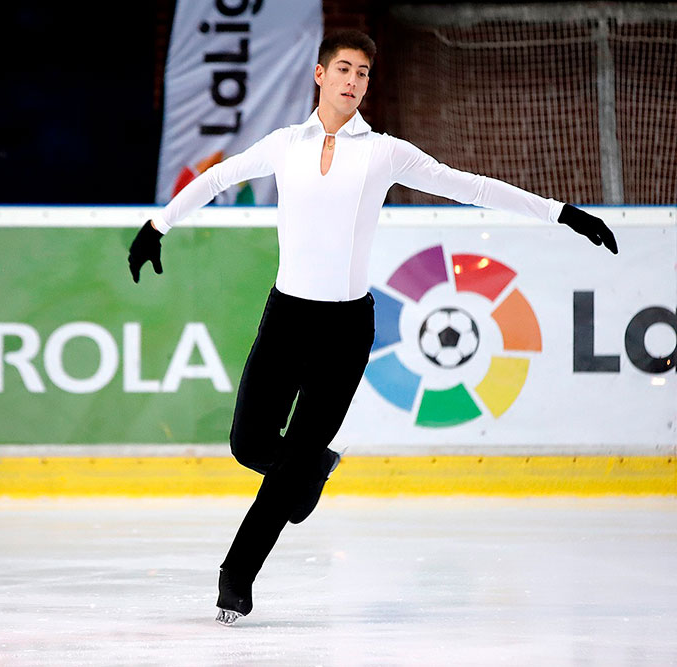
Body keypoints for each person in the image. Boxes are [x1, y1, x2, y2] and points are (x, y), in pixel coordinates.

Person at [127, 29, 617, 626]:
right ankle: (309, 472)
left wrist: (561, 212)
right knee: (249, 445)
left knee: (291, 465)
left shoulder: (383, 152)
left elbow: (470, 186)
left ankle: (237, 576)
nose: (354, 82)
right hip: (286, 317)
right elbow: (217, 178)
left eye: (363, 73)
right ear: (319, 74)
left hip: (346, 327)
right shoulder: (284, 144)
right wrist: (158, 225)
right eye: (344, 70)